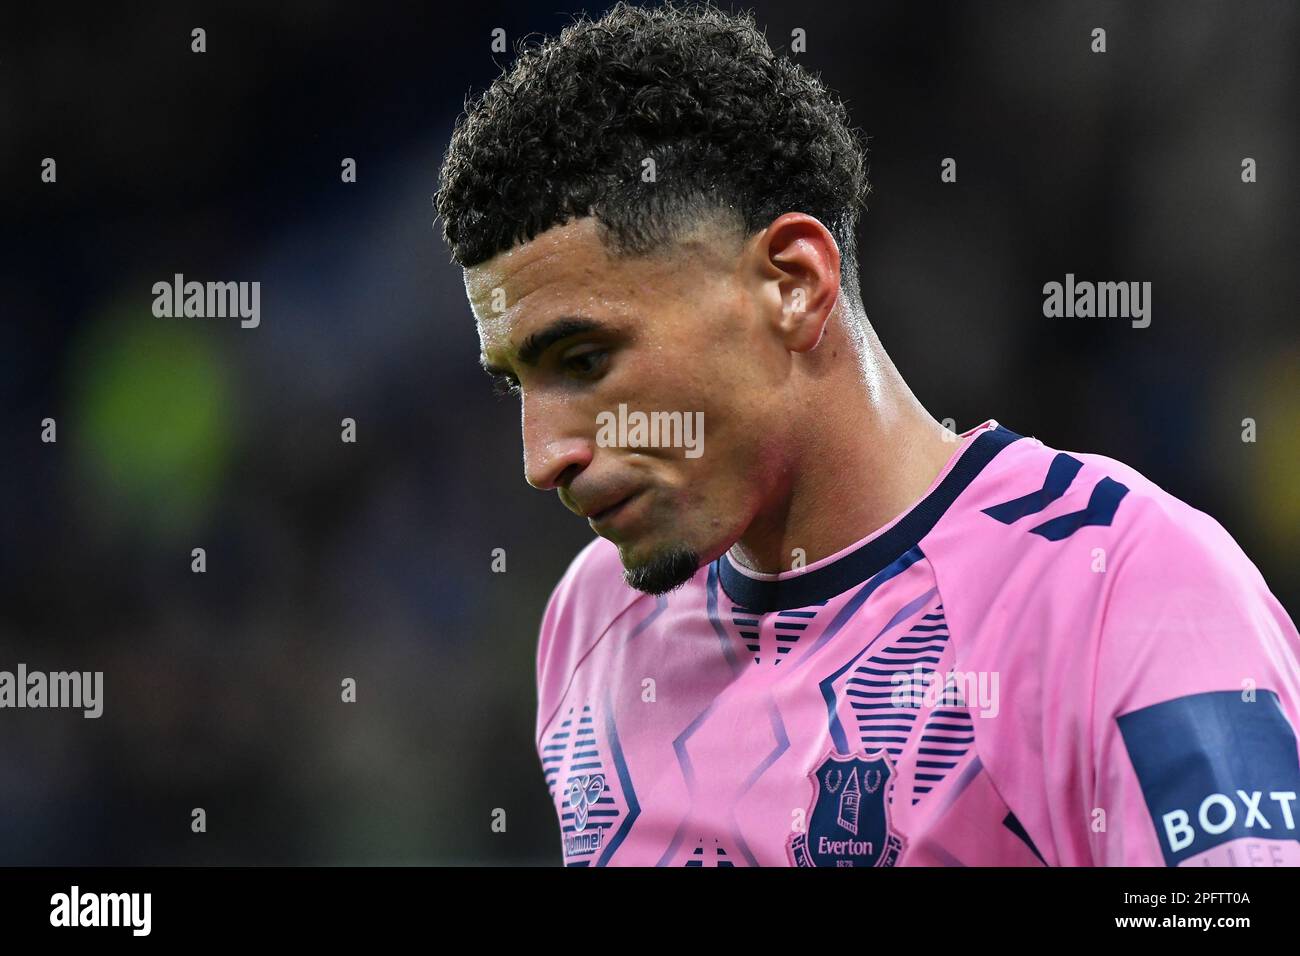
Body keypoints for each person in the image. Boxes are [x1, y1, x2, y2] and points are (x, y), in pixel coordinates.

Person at [435, 2, 1300, 866]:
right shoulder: (595, 621)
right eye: (517, 382)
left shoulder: (1126, 588)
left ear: (792, 283)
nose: (544, 457)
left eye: (585, 361)